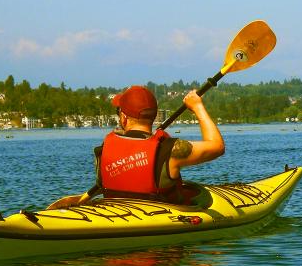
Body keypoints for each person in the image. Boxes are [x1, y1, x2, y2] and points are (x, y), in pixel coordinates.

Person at [47, 85, 224, 209]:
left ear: (123, 118)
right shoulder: (170, 150)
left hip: (114, 216)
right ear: (153, 117)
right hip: (161, 236)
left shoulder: (104, 148)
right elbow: (217, 146)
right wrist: (198, 107)